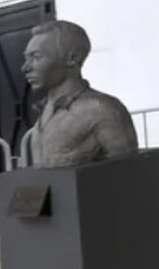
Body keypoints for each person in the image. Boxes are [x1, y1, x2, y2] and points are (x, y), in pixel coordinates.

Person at [22, 20, 138, 168]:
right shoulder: (46, 108)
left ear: (72, 59)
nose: (25, 68)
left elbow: (128, 172)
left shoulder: (102, 109)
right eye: (27, 58)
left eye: (37, 57)